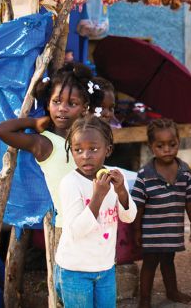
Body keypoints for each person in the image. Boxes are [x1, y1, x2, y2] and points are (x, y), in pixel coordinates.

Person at [0, 62, 95, 226]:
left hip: (95, 221)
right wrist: (33, 123)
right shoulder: (45, 143)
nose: (62, 108)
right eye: (56, 102)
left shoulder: (88, 140)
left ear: (84, 108)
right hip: (68, 226)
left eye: (72, 103)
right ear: (48, 104)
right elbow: (1, 130)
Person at [55, 116, 137, 308]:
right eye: (78, 150)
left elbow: (129, 216)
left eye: (93, 149)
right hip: (75, 270)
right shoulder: (70, 183)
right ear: (71, 151)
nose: (85, 155)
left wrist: (122, 191)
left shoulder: (115, 176)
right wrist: (98, 197)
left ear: (107, 150)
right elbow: (76, 230)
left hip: (105, 268)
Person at [132, 119, 191, 306]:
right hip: (152, 232)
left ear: (178, 142)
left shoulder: (185, 171)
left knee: (168, 261)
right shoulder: (144, 174)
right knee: (149, 264)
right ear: (151, 146)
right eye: (160, 145)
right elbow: (138, 205)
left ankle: (172, 292)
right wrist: (137, 230)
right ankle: (145, 299)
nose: (167, 150)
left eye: (172, 144)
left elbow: (190, 198)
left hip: (172, 229)